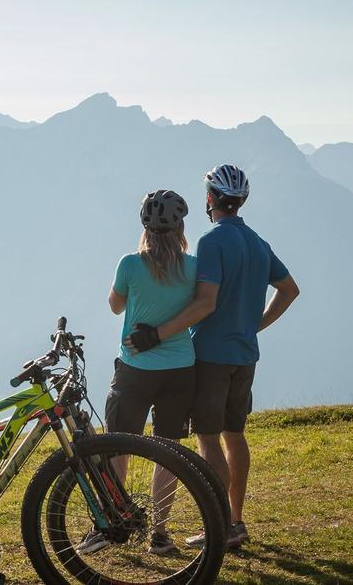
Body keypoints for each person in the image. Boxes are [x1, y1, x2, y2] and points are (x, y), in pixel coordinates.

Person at [125, 164, 300, 549]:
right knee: (234, 435)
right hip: (245, 356)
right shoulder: (257, 242)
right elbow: (289, 290)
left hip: (211, 356)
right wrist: (256, 326)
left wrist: (156, 334)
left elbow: (205, 304)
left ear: (209, 199)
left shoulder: (212, 242)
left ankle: (219, 526)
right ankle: (236, 521)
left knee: (207, 440)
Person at [77, 189, 197, 557]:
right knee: (168, 450)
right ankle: (159, 535)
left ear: (144, 226)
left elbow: (115, 306)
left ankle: (111, 520)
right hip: (180, 368)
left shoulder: (130, 264)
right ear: (180, 227)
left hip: (135, 368)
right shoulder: (193, 267)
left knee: (118, 445)